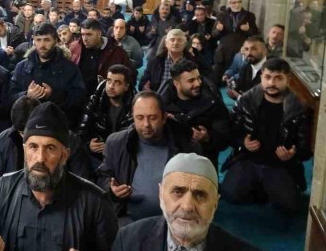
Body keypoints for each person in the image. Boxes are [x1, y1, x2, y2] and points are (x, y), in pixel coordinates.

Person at [0, 101, 118, 251]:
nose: (40, 158)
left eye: (50, 148)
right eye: (33, 147)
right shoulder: (4, 187)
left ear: (65, 155)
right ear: (24, 150)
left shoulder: (95, 201)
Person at [108, 153, 276, 251]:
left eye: (200, 195)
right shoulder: (127, 242)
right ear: (161, 195)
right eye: (177, 192)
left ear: (215, 203)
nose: (187, 206)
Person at [221, 58, 312, 214]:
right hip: (248, 159)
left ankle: (264, 187)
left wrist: (293, 154)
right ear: (261, 76)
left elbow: (306, 148)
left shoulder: (299, 108)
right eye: (268, 77)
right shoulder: (246, 101)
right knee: (230, 194)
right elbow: (230, 132)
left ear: (288, 80)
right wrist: (243, 142)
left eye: (278, 78)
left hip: (280, 165)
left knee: (288, 205)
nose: (271, 83)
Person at [96, 91, 197, 224]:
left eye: (152, 118)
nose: (146, 124)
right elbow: (103, 176)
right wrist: (112, 191)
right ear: (132, 117)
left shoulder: (186, 146)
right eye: (139, 117)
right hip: (127, 220)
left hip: (174, 221)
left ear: (164, 117)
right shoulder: (116, 143)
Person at [11, 23, 86, 127]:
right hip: (26, 125)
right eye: (38, 40)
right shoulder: (22, 67)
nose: (42, 45)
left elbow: (78, 100)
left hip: (57, 125)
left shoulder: (70, 68)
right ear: (33, 40)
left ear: (55, 40)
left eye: (47, 40)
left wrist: (52, 96)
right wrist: (27, 95)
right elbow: (10, 96)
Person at [161, 59, 230, 168]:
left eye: (198, 78)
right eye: (191, 80)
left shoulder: (212, 101)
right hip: (170, 163)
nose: (198, 83)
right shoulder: (163, 105)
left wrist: (208, 138)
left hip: (204, 162)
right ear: (176, 84)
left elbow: (226, 136)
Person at [76, 65, 135, 169]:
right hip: (96, 156)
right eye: (109, 81)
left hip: (122, 157)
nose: (111, 86)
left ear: (126, 86)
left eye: (117, 83)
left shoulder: (135, 107)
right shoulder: (95, 101)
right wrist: (88, 145)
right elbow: (81, 131)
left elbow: (134, 141)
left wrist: (111, 148)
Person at [75, 19, 132, 95]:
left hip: (106, 97)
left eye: (89, 34)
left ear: (99, 33)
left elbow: (129, 77)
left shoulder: (118, 53)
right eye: (82, 34)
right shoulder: (75, 48)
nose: (85, 39)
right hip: (79, 96)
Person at [212, 0, 259, 82]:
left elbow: (256, 34)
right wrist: (218, 30)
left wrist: (248, 30)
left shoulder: (249, 15)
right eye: (234, 2)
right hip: (224, 50)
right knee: (221, 75)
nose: (237, 5)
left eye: (239, 2)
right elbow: (214, 34)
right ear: (229, 3)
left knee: (239, 73)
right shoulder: (222, 15)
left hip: (240, 48)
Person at [226, 35, 267, 100]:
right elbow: (240, 91)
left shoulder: (272, 69)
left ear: (264, 50)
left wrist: (243, 97)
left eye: (254, 49)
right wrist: (233, 90)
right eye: (246, 49)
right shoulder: (244, 68)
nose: (249, 52)